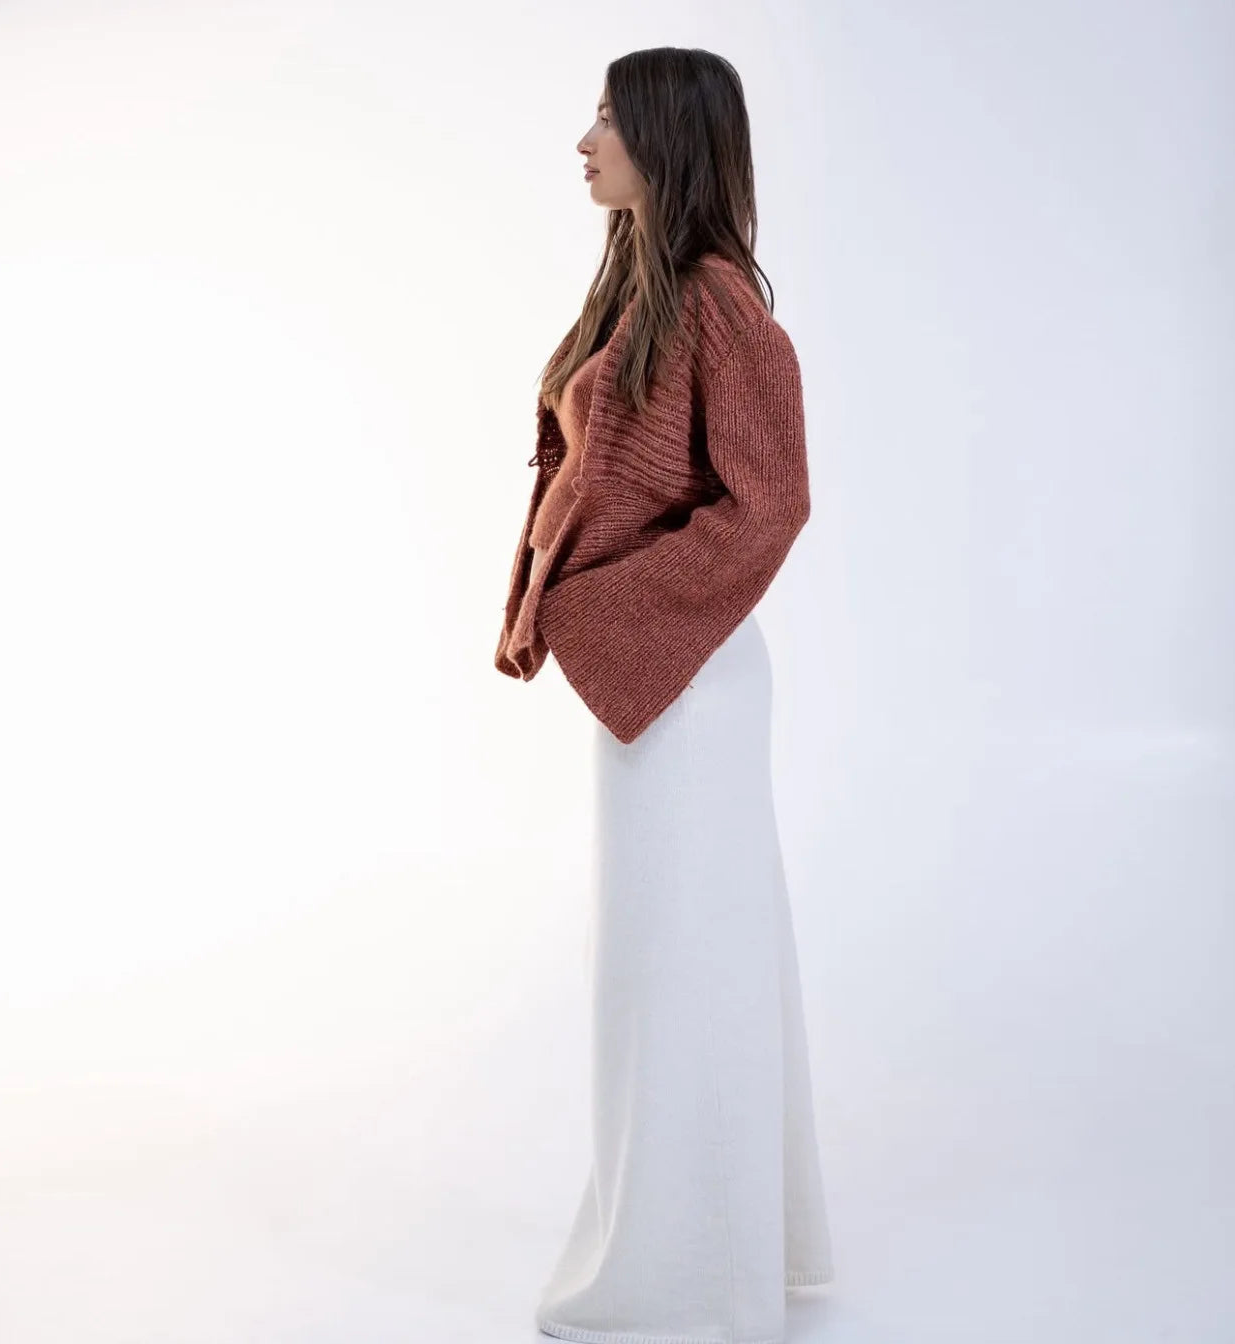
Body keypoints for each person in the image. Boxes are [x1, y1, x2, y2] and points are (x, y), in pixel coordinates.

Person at [495, 46, 835, 1344]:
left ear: (664, 136)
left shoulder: (716, 303)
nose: (586, 141)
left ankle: (691, 1280)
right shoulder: (641, 291)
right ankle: (713, 1252)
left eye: (607, 118)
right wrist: (561, 607)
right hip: (655, 670)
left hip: (684, 675)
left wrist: (597, 612)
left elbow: (771, 503)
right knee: (669, 959)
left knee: (685, 961)